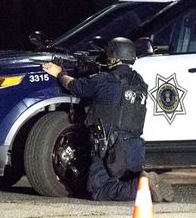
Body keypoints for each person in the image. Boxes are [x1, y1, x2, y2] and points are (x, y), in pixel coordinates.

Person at [42, 37, 174, 202]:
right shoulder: (140, 82)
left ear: (113, 57)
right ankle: (141, 181)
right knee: (121, 180)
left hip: (110, 149)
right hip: (134, 150)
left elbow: (74, 86)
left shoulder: (104, 80)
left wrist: (59, 73)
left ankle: (142, 186)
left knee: (98, 190)